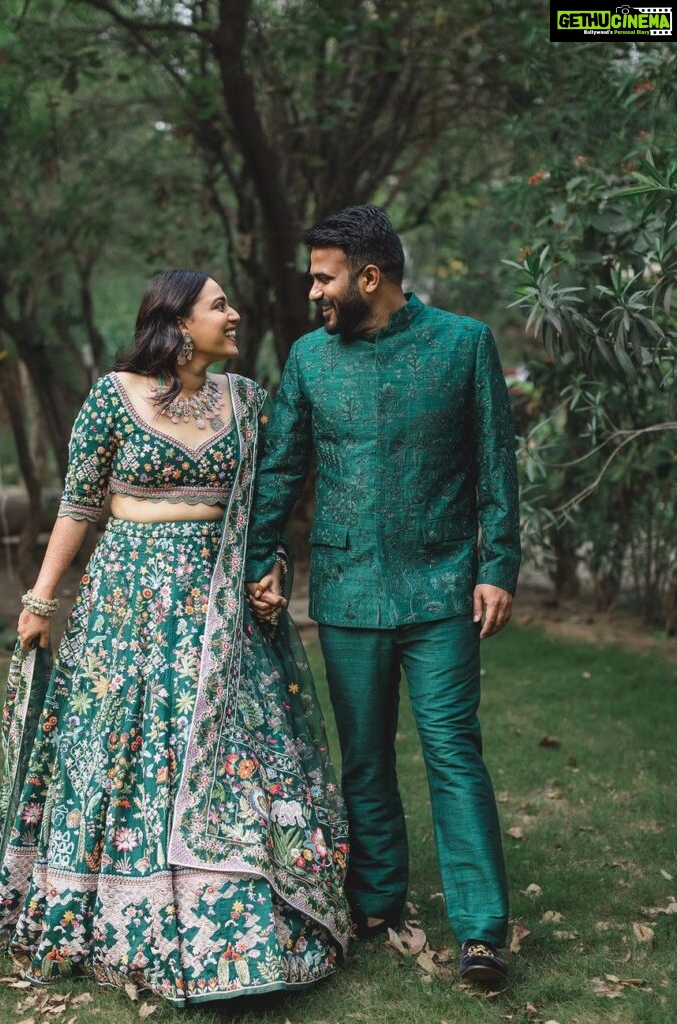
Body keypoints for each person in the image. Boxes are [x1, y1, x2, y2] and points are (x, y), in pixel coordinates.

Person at [0, 270, 350, 1006]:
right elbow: (79, 504)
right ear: (176, 329)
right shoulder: (114, 397)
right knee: (124, 748)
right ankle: (119, 914)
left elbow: (267, 504)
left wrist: (270, 567)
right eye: (219, 306)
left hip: (219, 604)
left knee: (235, 750)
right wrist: (41, 597)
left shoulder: (248, 402)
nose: (234, 315)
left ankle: (237, 927)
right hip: (127, 605)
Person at [245, 206, 521, 985]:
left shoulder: (464, 344)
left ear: (371, 277)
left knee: (453, 754)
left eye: (324, 276)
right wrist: (264, 550)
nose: (312, 292)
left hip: (442, 592)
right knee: (364, 759)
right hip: (347, 592)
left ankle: (480, 931)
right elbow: (282, 465)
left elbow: (496, 465)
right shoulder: (309, 359)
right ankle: (375, 904)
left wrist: (497, 565)